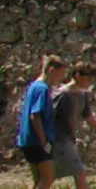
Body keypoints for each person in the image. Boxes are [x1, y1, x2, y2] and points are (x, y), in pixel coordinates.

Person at [50, 63, 96, 189]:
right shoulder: (63, 94)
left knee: (49, 178)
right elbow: (48, 116)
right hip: (58, 139)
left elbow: (89, 117)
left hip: (68, 139)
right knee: (79, 171)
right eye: (88, 79)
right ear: (77, 76)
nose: (89, 83)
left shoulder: (82, 95)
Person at [14, 56, 67, 189]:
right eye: (60, 74)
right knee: (48, 177)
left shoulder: (33, 86)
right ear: (51, 70)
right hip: (37, 141)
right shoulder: (41, 88)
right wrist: (43, 140)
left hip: (28, 140)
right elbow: (35, 115)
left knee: (39, 180)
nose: (60, 79)